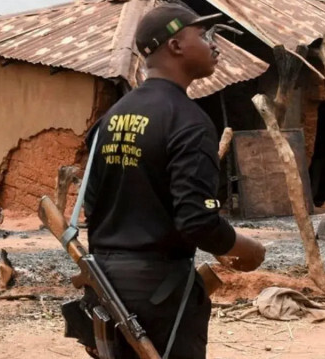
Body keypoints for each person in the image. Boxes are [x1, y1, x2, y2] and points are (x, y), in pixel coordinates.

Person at [83, 4, 266, 359]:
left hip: (104, 287)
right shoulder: (188, 122)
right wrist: (247, 248)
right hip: (160, 295)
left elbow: (92, 204)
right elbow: (197, 221)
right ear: (176, 46)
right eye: (204, 35)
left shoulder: (110, 119)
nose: (215, 45)